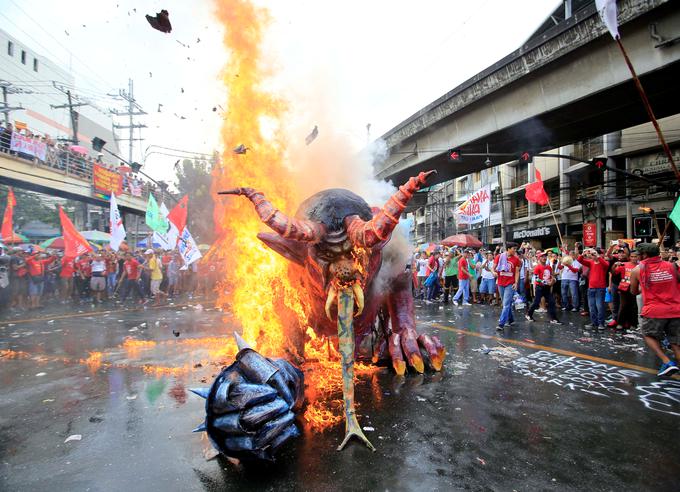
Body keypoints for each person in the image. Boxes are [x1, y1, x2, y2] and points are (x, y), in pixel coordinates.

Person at [629, 243, 680, 376]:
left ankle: (667, 361)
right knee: (675, 342)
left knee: (648, 335)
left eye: (639, 254)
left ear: (644, 255)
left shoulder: (637, 270)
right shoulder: (671, 266)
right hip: (675, 309)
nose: (638, 256)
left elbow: (633, 291)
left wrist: (643, 287)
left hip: (654, 311)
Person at [525, 252, 562, 324]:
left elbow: (551, 275)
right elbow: (536, 278)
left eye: (545, 256)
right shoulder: (537, 267)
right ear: (539, 258)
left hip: (547, 288)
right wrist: (546, 282)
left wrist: (553, 280)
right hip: (539, 287)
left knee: (551, 302)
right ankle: (529, 314)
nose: (544, 258)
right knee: (536, 303)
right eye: (542, 257)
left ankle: (553, 318)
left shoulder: (548, 267)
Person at [577, 248, 609, 330]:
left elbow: (606, 265)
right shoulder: (590, 262)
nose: (593, 256)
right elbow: (580, 260)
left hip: (600, 288)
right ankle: (594, 322)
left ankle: (601, 323)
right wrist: (583, 254)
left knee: (599, 306)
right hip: (591, 288)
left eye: (594, 254)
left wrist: (597, 256)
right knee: (592, 307)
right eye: (592, 255)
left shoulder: (603, 262)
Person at [494, 242, 521, 330]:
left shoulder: (516, 259)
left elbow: (517, 272)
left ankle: (501, 324)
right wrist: (493, 272)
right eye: (514, 249)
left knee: (505, 304)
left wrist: (516, 283)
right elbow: (493, 268)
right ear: (509, 249)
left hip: (510, 284)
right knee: (507, 303)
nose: (515, 250)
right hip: (500, 283)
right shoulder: (499, 257)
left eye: (516, 249)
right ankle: (511, 319)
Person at [613, 249, 639, 330]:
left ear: (638, 257)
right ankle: (620, 323)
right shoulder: (624, 264)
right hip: (624, 288)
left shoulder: (640, 266)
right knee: (623, 306)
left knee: (634, 306)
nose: (633, 258)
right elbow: (615, 272)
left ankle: (633, 324)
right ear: (629, 257)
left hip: (635, 288)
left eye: (635, 257)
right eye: (632, 256)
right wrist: (615, 265)